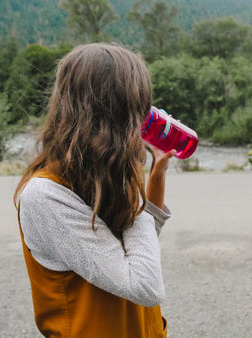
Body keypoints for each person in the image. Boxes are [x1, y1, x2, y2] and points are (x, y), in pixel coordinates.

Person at [14, 43, 174, 338]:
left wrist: (156, 176)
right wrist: (133, 176)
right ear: (114, 114)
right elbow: (144, 284)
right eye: (136, 107)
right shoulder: (45, 196)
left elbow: (137, 250)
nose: (143, 119)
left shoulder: (99, 173)